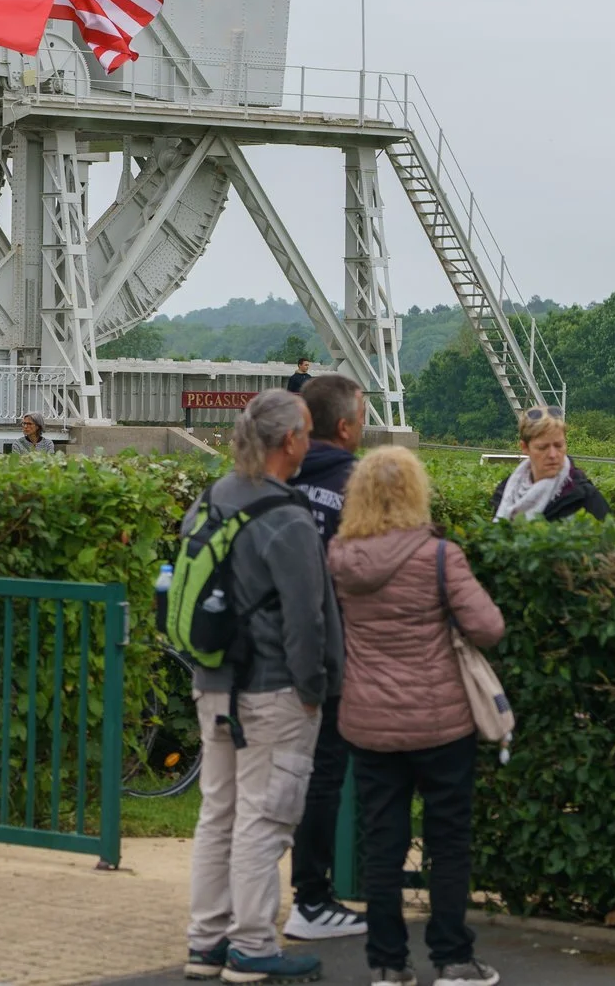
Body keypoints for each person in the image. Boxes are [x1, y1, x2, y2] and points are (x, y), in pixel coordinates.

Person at [328, 446, 506, 986]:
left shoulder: (340, 556)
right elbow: (488, 627)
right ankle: (452, 958)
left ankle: (387, 963)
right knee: (448, 840)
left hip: (369, 722)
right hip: (439, 722)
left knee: (382, 842)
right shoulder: (438, 556)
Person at [181, 389, 340, 985]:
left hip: (214, 683)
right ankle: (252, 946)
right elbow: (308, 618)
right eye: (305, 431)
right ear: (289, 441)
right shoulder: (287, 517)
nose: (309, 439)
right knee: (264, 819)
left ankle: (206, 942)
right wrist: (313, 688)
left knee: (217, 813)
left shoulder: (212, 498)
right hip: (273, 693)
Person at [282, 373, 367, 945]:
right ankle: (312, 899)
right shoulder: (358, 486)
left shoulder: (276, 481)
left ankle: (243, 908)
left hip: (268, 656)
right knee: (323, 779)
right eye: (363, 414)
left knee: (265, 787)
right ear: (345, 425)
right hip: (334, 654)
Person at [492, 408, 609, 522]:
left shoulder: (585, 497)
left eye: (558, 445)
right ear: (524, 447)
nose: (553, 455)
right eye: (542, 447)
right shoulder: (505, 492)